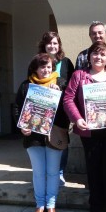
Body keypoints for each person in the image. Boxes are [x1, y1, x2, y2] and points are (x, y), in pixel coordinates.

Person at [63, 42, 106, 212]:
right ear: (89, 56)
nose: (98, 57)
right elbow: (68, 99)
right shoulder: (79, 75)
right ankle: (96, 207)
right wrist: (77, 119)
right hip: (90, 131)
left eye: (103, 54)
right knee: (94, 169)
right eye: (95, 54)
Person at [14, 53, 70, 212]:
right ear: (35, 68)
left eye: (49, 67)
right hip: (33, 137)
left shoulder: (61, 84)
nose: (46, 70)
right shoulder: (26, 85)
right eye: (42, 66)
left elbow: (67, 110)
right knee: (38, 172)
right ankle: (40, 206)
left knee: (53, 172)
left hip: (54, 135)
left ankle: (51, 206)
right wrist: (21, 125)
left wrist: (59, 94)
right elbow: (17, 107)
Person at [37, 31, 75, 186]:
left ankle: (60, 172)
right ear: (44, 45)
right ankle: (46, 172)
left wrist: (59, 85)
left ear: (59, 45)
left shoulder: (66, 62)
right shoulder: (37, 62)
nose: (52, 46)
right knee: (42, 140)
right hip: (41, 109)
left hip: (61, 110)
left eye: (55, 43)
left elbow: (73, 84)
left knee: (60, 141)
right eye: (49, 43)